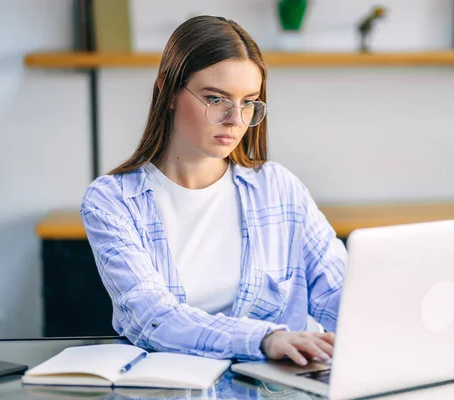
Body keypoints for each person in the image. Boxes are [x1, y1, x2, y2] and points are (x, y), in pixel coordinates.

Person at [80, 15, 346, 366]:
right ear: (168, 91)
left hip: (273, 388)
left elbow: (337, 291)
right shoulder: (112, 202)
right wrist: (264, 338)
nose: (236, 119)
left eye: (249, 102)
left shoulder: (279, 188)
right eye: (216, 99)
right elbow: (152, 316)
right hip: (169, 386)